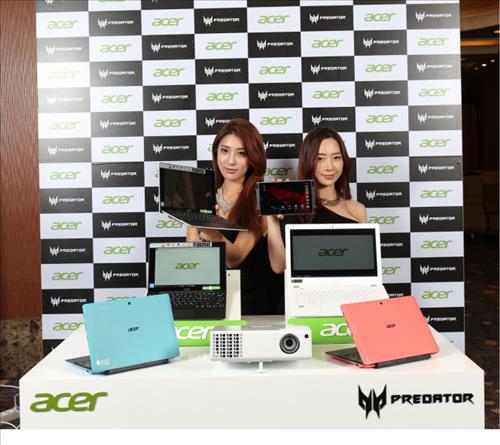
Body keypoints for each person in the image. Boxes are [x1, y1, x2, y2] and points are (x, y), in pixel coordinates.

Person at [186, 118, 283, 315]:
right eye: (225, 150)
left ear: (253, 158)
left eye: (241, 153)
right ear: (216, 153)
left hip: (252, 313)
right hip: (210, 306)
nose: (230, 161)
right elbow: (193, 259)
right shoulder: (202, 198)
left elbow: (235, 258)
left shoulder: (260, 202)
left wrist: (209, 229)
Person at [267, 126, 367, 274]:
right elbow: (279, 266)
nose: (329, 167)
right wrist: (272, 221)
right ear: (308, 161)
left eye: (336, 157)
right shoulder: (292, 206)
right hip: (304, 287)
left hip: (349, 287)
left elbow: (364, 263)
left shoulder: (357, 209)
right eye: (320, 158)